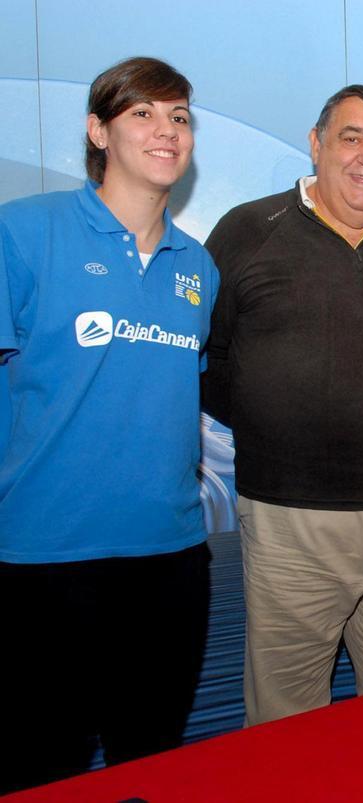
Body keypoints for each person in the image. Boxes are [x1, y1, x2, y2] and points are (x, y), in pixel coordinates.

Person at [202, 85, 363, 725]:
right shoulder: (247, 230)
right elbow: (211, 362)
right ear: (316, 145)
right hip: (293, 521)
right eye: (352, 137)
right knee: (290, 722)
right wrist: (284, 427)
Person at [0, 57, 216, 792]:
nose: (166, 131)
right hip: (45, 560)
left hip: (172, 558)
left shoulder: (200, 267)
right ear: (99, 130)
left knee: (149, 768)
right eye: (143, 114)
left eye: (179, 117)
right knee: (39, 768)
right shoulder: (23, 233)